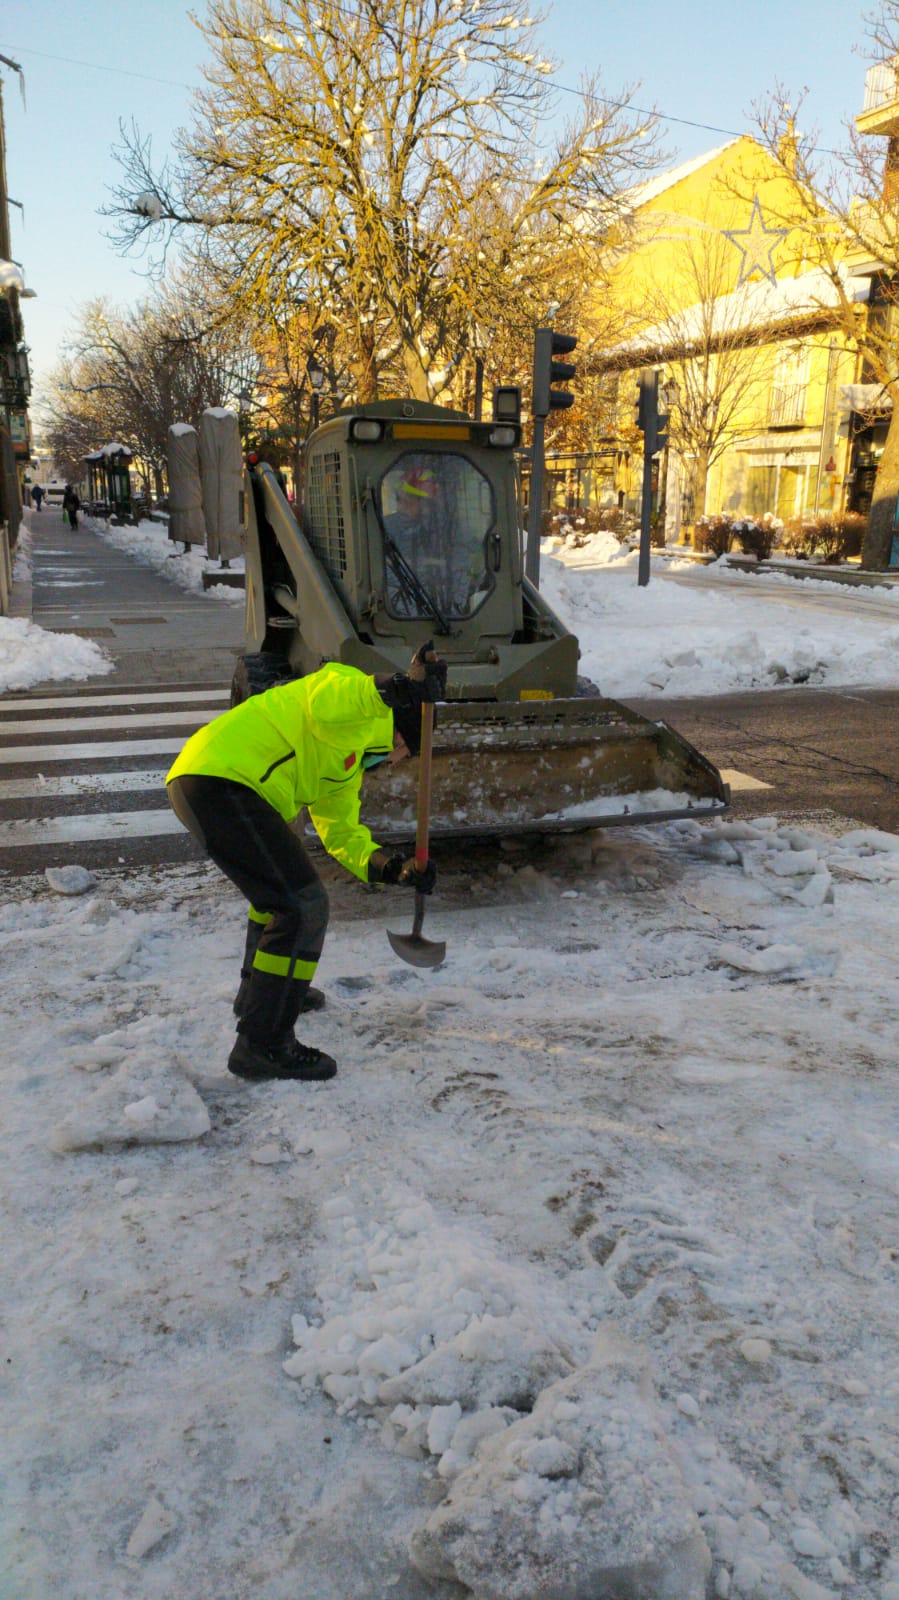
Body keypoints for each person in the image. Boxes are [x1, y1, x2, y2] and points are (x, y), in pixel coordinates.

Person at [166, 643, 447, 1083]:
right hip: (221, 779)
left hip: (215, 780)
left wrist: (393, 867)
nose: (398, 763)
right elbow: (333, 697)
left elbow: (340, 834)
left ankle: (261, 999)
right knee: (302, 906)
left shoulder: (346, 764)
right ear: (398, 735)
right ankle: (262, 1045)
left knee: (276, 900)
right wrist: (394, 689)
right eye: (404, 753)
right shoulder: (351, 697)